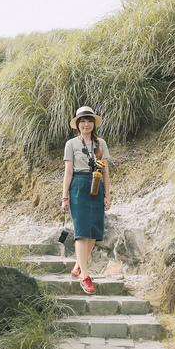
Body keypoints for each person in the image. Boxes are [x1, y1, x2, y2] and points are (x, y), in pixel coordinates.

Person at [61, 105, 111, 294]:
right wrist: (64, 196)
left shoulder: (101, 144)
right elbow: (68, 172)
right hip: (78, 187)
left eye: (89, 121)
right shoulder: (71, 144)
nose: (86, 124)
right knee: (82, 231)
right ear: (77, 124)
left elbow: (106, 171)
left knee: (93, 232)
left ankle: (78, 265)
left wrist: (107, 195)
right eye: (82, 121)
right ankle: (85, 276)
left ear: (93, 124)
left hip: (96, 186)